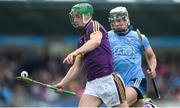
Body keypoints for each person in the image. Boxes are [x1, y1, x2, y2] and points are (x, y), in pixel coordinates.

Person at [54, 3, 127, 107]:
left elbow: (95, 41)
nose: (75, 20)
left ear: (87, 16)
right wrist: (62, 83)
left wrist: (75, 52)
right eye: (74, 17)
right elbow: (77, 67)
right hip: (92, 84)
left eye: (78, 16)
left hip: (109, 81)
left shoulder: (94, 26)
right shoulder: (81, 41)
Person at [108, 6, 157, 107]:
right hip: (116, 83)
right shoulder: (106, 36)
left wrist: (153, 68)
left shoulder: (139, 37)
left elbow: (151, 56)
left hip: (136, 79)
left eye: (119, 20)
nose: (116, 24)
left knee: (120, 104)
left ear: (127, 19)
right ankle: (146, 105)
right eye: (113, 21)